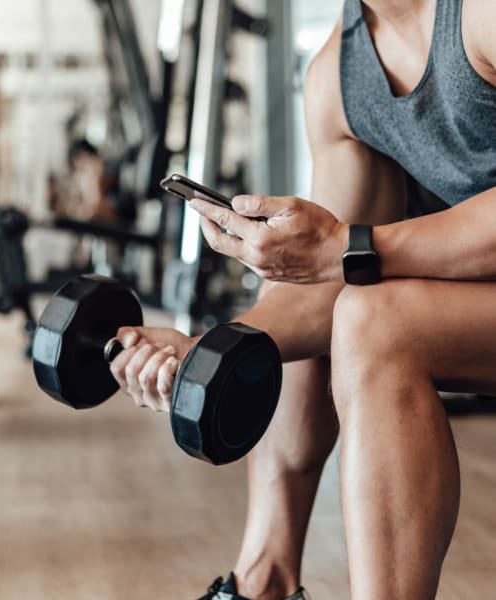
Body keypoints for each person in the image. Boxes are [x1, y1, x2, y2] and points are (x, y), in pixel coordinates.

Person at [110, 0, 496, 598]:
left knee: (373, 317)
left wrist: (348, 246)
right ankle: (261, 581)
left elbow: (348, 254)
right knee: (333, 294)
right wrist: (213, 347)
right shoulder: (338, 77)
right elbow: (325, 278)